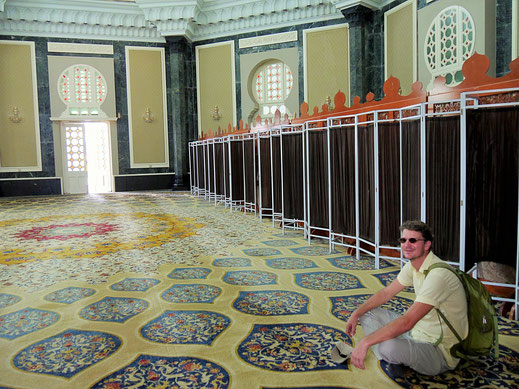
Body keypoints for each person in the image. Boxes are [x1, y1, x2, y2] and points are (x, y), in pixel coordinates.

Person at [345, 220, 468, 376]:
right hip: (417, 331)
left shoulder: (438, 275)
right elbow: (386, 293)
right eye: (403, 240)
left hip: (440, 350)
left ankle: (391, 355)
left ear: (427, 245)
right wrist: (356, 313)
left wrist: (365, 342)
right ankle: (397, 356)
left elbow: (407, 321)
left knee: (387, 347)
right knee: (367, 313)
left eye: (413, 240)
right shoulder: (413, 265)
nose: (406, 244)